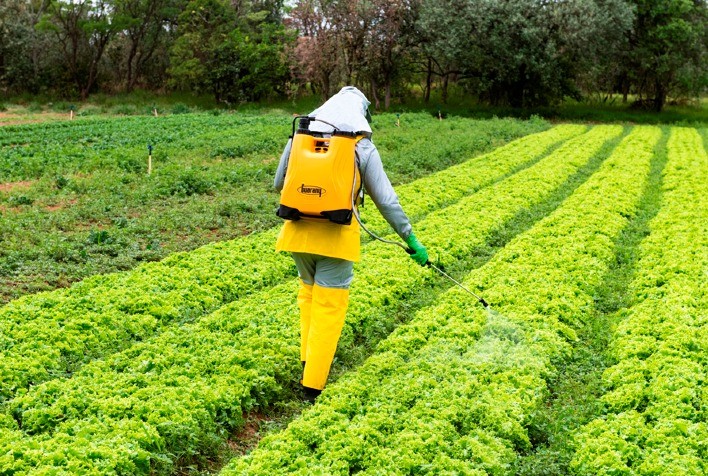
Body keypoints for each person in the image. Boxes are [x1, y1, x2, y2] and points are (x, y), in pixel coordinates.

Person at [274, 86, 428, 399]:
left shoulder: (301, 137)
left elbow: (279, 183)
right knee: (329, 307)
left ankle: (308, 360)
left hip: (297, 231)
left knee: (309, 297)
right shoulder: (361, 146)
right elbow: (386, 200)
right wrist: (410, 238)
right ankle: (312, 386)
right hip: (336, 235)